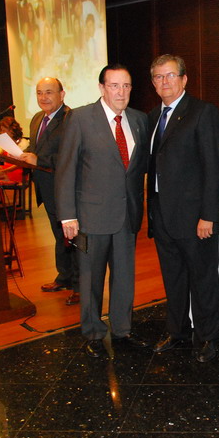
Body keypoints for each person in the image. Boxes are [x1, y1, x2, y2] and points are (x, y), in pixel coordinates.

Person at [55, 64, 150, 358]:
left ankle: (122, 330)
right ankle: (93, 333)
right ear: (101, 88)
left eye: (126, 86)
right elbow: (66, 169)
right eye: (114, 85)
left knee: (124, 278)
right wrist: (68, 215)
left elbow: (138, 170)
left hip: (127, 216)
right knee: (90, 279)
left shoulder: (139, 120)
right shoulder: (81, 118)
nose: (121, 92)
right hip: (90, 217)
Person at [147, 54, 219, 363]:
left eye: (170, 75)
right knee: (174, 278)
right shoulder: (153, 117)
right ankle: (177, 331)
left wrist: (209, 216)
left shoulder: (203, 112)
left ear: (184, 79)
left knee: (203, 278)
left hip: (195, 218)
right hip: (162, 214)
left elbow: (216, 168)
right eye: (158, 77)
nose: (164, 82)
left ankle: (208, 337)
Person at [16, 77, 78, 306]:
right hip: (46, 188)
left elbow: (72, 156)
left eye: (49, 92)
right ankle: (64, 277)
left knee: (73, 239)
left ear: (62, 94)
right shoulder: (37, 118)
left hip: (65, 189)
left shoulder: (71, 118)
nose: (43, 97)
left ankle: (80, 286)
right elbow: (35, 149)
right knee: (59, 236)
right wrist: (19, 155)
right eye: (39, 93)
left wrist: (38, 159)